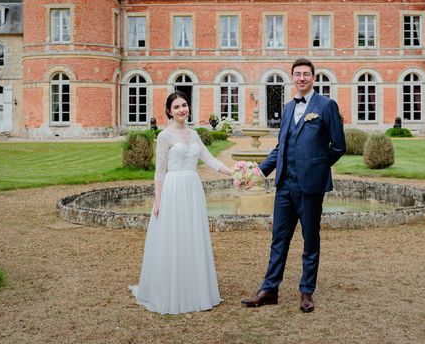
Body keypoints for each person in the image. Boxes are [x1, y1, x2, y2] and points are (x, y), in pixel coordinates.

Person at [241, 58, 346, 313]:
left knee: (310, 239)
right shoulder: (288, 108)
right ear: (292, 77)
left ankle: (306, 292)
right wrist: (260, 171)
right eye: (297, 74)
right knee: (279, 239)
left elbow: (339, 146)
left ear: (313, 78)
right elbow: (281, 147)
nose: (301, 78)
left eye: (306, 74)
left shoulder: (326, 105)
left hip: (311, 186)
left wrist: (317, 167)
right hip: (285, 186)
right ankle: (269, 289)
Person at [130, 91, 232, 315]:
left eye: (184, 105)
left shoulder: (194, 134)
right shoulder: (165, 136)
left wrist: (233, 172)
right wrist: (158, 201)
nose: (181, 110)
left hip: (192, 188)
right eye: (176, 107)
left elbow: (211, 160)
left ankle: (195, 289)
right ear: (169, 111)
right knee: (174, 237)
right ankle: (171, 290)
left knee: (192, 236)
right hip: (174, 188)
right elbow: (159, 172)